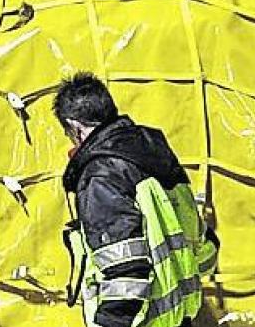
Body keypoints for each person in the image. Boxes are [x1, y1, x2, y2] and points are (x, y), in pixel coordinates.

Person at [55, 73, 219, 327]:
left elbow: (126, 272)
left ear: (75, 126)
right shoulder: (153, 154)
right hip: (181, 318)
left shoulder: (102, 175)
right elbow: (203, 245)